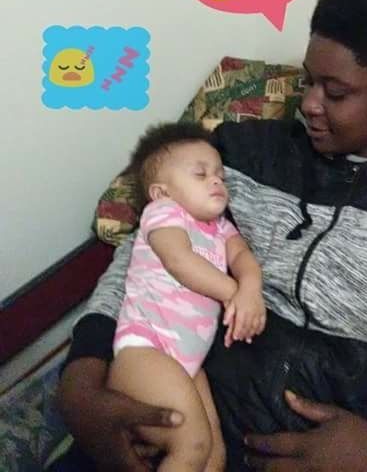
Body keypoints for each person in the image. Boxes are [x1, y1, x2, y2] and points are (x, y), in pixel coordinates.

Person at [54, 0, 367, 472]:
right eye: (309, 81)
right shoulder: (241, 155)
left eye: (335, 92)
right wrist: (82, 382)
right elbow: (148, 251)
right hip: (174, 419)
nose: (310, 103)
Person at [107, 123, 266, 472]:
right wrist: (234, 294)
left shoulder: (222, 228)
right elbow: (178, 261)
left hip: (188, 363)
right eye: (200, 174)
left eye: (220, 175)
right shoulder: (164, 213)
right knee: (192, 443)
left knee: (214, 455)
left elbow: (243, 258)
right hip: (146, 350)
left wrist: (251, 288)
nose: (216, 181)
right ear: (161, 192)